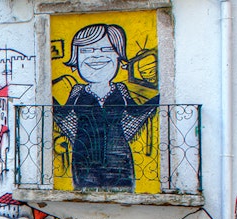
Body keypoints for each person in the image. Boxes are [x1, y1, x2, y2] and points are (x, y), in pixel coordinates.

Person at [53, 23, 159, 191]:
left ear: (119, 56)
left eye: (106, 49)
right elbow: (62, 113)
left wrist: (159, 97)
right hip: (84, 157)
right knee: (84, 192)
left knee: (122, 191)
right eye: (86, 50)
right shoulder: (78, 90)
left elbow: (135, 113)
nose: (96, 56)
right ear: (76, 58)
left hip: (118, 157)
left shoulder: (121, 89)